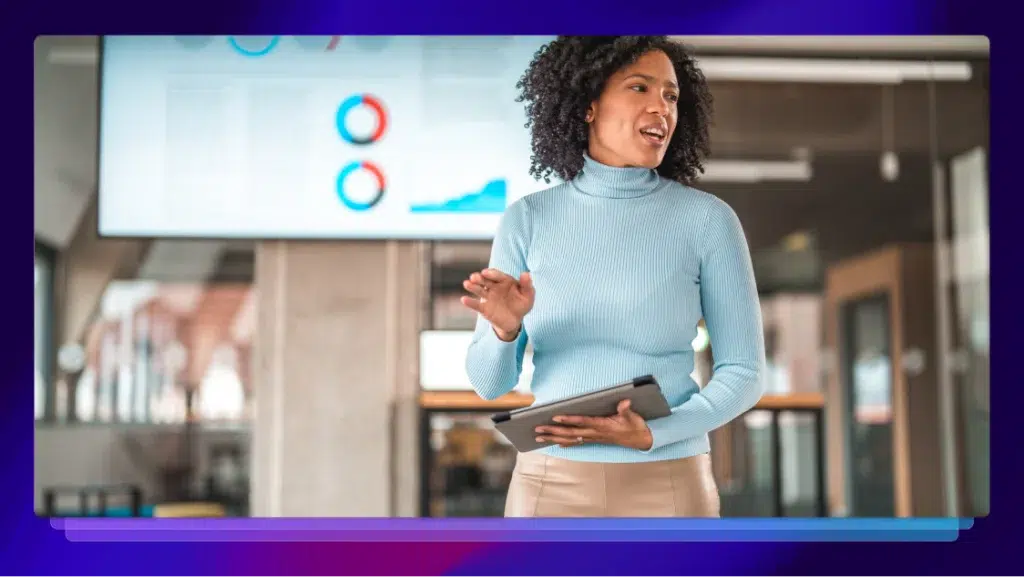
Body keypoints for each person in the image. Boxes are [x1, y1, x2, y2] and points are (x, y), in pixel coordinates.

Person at [462, 36, 765, 517]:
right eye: (640, 88)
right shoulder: (528, 219)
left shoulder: (708, 220)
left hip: (669, 480)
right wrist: (505, 329)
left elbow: (745, 373)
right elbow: (489, 384)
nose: (660, 108)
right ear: (588, 105)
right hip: (549, 483)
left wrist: (654, 433)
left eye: (670, 95)